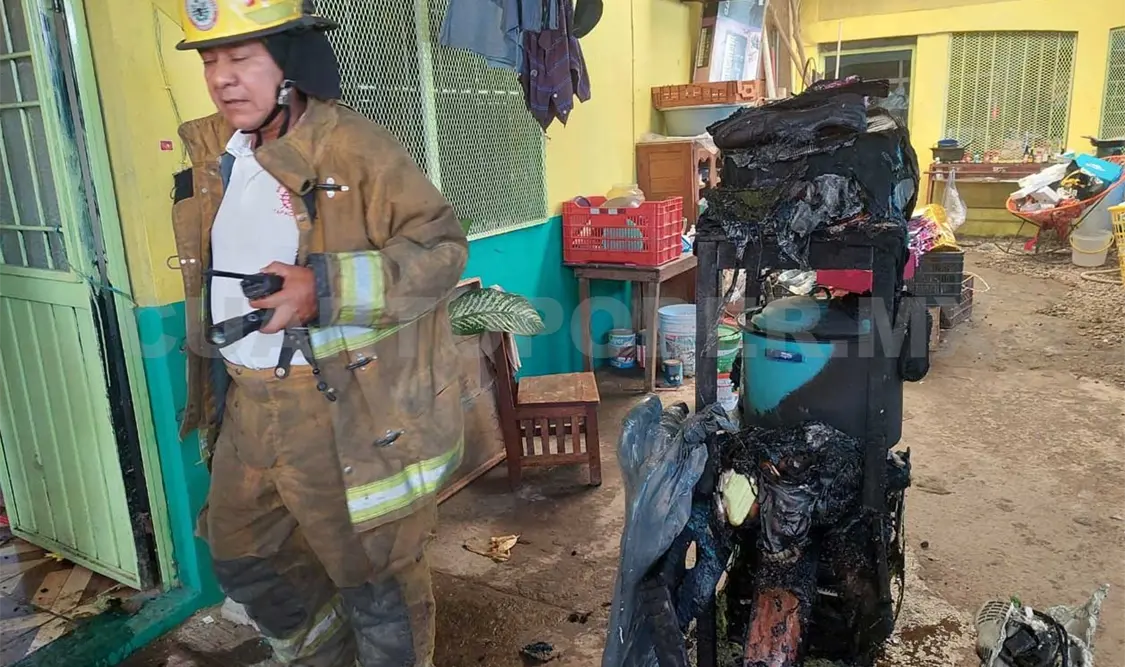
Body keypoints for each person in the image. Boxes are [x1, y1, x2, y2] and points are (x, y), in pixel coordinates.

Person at [168, 1, 467, 665]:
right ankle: (320, 655)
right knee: (243, 555)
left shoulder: (354, 147)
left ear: (290, 64)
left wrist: (323, 288)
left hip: (335, 407)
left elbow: (442, 249)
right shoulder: (214, 151)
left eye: (240, 58)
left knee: (376, 579)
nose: (221, 77)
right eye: (210, 60)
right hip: (249, 403)